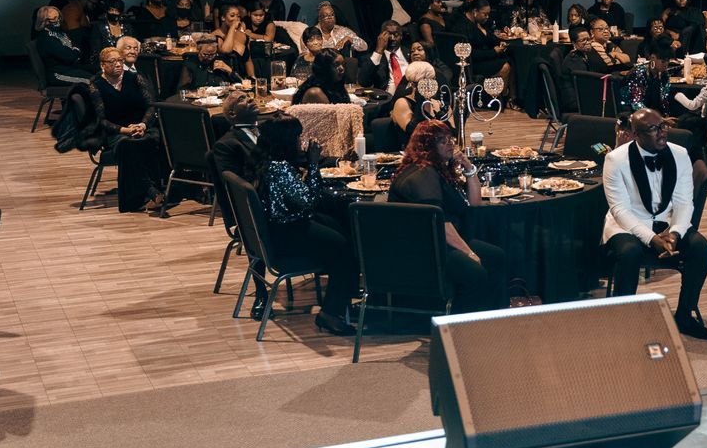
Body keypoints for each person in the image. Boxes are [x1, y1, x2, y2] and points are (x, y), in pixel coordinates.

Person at [214, 101, 357, 331]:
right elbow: (310, 200)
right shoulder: (279, 168)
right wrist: (312, 166)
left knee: (340, 226)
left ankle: (344, 299)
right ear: (287, 142)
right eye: (297, 138)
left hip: (274, 229)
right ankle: (331, 313)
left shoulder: (263, 161)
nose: (300, 142)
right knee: (344, 247)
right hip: (286, 233)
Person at [602, 108, 707, 339]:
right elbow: (620, 210)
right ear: (636, 134)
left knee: (701, 248)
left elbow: (685, 202)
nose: (662, 132)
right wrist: (651, 239)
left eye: (663, 125)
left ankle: (684, 316)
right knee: (630, 252)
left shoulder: (680, 154)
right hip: (627, 224)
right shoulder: (615, 160)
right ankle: (623, 320)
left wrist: (675, 233)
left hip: (667, 221)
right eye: (653, 129)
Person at [386, 120, 507, 312]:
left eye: (451, 139)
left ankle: (492, 317)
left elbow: (475, 203)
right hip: (425, 250)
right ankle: (461, 326)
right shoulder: (423, 174)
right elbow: (439, 223)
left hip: (441, 243)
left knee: (496, 256)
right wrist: (468, 252)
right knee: (474, 271)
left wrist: (468, 166)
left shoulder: (439, 170)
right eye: (442, 141)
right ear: (428, 147)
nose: (450, 143)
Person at [85, 47, 169, 215]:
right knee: (129, 146)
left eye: (120, 61)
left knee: (152, 139)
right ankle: (152, 192)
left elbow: (151, 106)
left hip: (142, 127)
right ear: (102, 65)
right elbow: (100, 120)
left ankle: (155, 192)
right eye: (112, 61)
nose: (118, 64)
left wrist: (143, 125)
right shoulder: (95, 86)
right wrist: (125, 130)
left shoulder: (135, 78)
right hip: (116, 132)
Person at [34, 6, 91, 84]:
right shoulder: (46, 39)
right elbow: (70, 57)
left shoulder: (60, 32)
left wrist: (74, 50)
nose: (58, 21)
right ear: (44, 21)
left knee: (99, 74)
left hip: (70, 69)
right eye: (54, 18)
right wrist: (75, 50)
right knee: (90, 81)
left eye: (59, 17)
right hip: (58, 74)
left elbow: (74, 49)